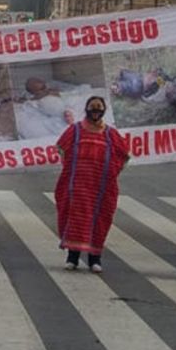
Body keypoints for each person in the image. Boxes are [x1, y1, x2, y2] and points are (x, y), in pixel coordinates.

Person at [55, 96, 129, 273]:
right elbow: (61, 148)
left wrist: (111, 172)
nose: (95, 110)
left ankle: (95, 259)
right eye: (92, 107)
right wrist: (72, 169)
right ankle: (72, 258)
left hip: (101, 188)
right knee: (76, 220)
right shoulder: (75, 130)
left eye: (99, 107)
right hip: (78, 187)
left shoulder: (111, 134)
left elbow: (124, 155)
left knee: (99, 221)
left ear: (103, 110)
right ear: (86, 109)